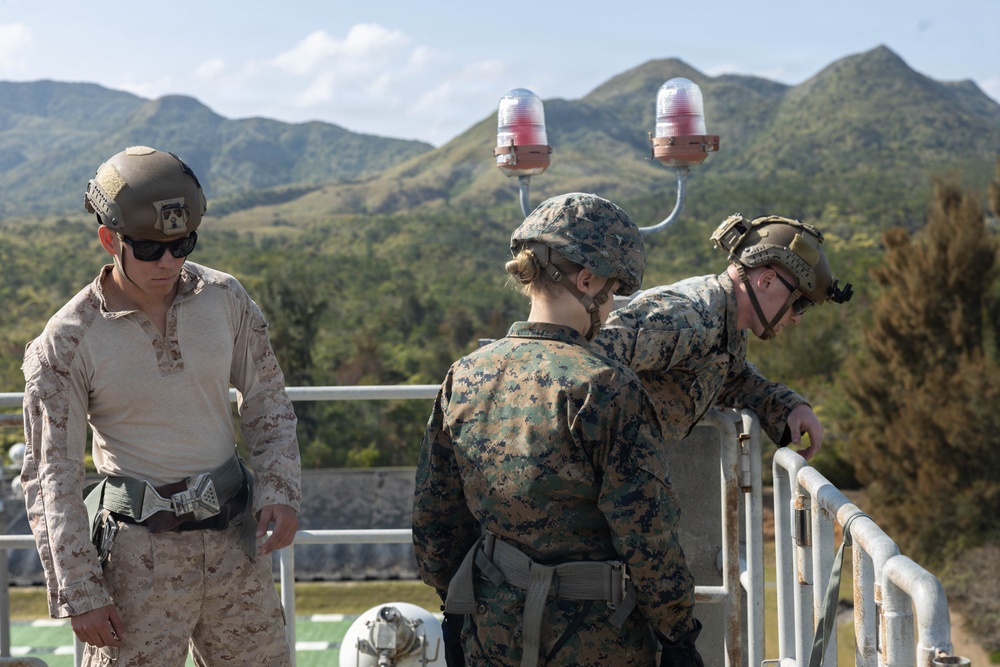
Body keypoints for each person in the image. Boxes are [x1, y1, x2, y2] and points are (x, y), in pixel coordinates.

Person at [20, 145, 302, 666]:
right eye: (149, 249)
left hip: (234, 545)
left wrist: (280, 490)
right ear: (110, 239)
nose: (169, 262)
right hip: (136, 562)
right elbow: (49, 477)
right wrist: (80, 592)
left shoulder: (226, 300)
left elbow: (267, 401)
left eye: (182, 244)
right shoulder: (68, 341)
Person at [412, 192, 704, 667]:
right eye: (612, 289)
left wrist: (456, 608)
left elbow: (435, 520)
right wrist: (677, 634)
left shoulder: (464, 375)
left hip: (493, 632)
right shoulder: (605, 384)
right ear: (587, 281)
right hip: (597, 640)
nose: (610, 307)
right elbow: (648, 534)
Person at [594, 213, 853, 460]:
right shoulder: (689, 318)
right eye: (800, 304)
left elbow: (732, 379)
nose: (796, 317)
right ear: (767, 281)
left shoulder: (727, 324)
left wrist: (789, 407)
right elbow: (585, 361)